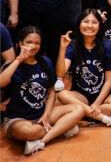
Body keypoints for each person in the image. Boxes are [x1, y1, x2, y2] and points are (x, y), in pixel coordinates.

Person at [0, 26, 84, 156]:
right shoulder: (12, 65)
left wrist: (47, 114)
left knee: (79, 109)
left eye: (37, 43)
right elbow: (1, 82)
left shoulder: (45, 62)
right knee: (30, 132)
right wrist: (19, 59)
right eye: (29, 42)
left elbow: (51, 90)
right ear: (20, 43)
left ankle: (41, 142)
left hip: (41, 115)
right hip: (17, 119)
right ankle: (60, 129)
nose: (33, 46)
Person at [56, 9, 111, 128]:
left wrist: (97, 103)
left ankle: (84, 115)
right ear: (79, 24)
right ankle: (105, 119)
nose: (89, 26)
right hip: (80, 96)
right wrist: (63, 48)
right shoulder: (73, 45)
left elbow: (109, 81)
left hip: (103, 96)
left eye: (94, 22)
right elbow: (60, 73)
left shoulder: (108, 45)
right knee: (62, 95)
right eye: (85, 21)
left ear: (100, 26)